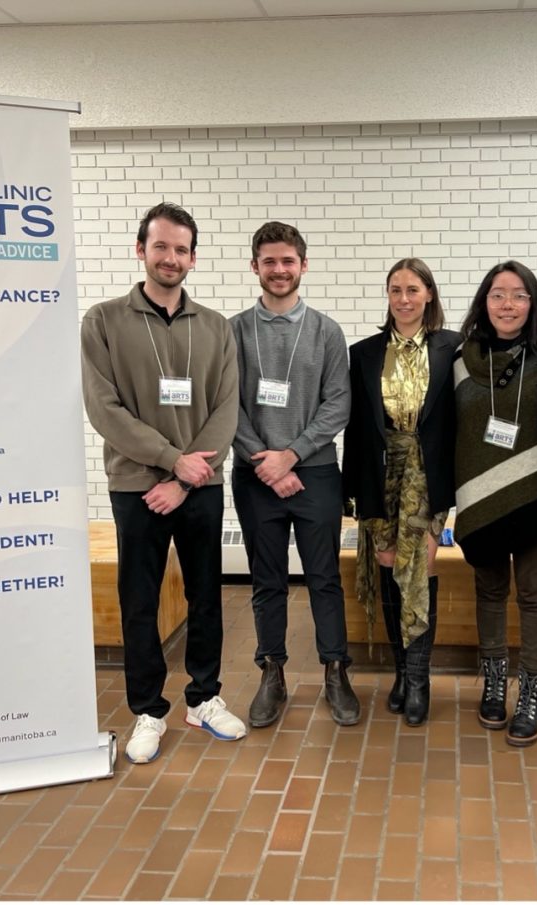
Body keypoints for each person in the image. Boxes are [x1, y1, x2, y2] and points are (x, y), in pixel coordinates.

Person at [81, 202, 246, 764]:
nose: (170, 258)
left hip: (200, 483)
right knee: (139, 601)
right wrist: (171, 462)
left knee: (206, 598)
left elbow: (226, 409)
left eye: (181, 249)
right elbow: (105, 410)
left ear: (192, 258)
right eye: (161, 246)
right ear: (141, 250)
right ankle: (148, 710)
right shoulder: (103, 322)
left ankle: (203, 697)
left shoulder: (216, 328)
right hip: (137, 486)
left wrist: (186, 473)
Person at [230, 221, 359, 728]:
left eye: (288, 261)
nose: (279, 270)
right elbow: (226, 406)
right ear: (255, 267)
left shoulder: (326, 331)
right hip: (255, 475)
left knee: (325, 579)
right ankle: (272, 671)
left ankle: (334, 670)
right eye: (269, 261)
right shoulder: (234, 330)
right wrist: (266, 458)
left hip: (317, 475)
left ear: (303, 266)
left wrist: (293, 455)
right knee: (267, 581)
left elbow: (338, 404)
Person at [453, 261, 537, 746]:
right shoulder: (460, 360)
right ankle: (496, 682)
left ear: (532, 303)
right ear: (484, 302)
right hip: (479, 497)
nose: (507, 305)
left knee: (535, 594)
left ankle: (532, 691)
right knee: (490, 590)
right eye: (498, 295)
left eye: (518, 295)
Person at [343, 258, 460, 726]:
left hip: (428, 477)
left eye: (413, 289)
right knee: (390, 565)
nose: (404, 298)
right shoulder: (365, 353)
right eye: (396, 290)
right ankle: (400, 671)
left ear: (428, 294)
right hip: (379, 474)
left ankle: (419, 677)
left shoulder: (454, 348)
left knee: (422, 564)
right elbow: (354, 429)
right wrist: (350, 492)